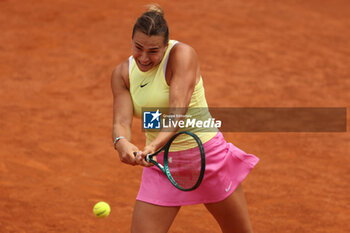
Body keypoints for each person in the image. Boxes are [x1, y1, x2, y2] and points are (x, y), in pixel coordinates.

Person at [111, 4, 259, 233]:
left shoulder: (182, 55)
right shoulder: (122, 74)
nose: (144, 57)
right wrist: (122, 143)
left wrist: (152, 145)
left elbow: (177, 112)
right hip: (161, 165)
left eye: (153, 51)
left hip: (207, 159)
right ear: (131, 41)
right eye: (138, 47)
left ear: (166, 45)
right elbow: (121, 122)